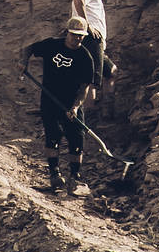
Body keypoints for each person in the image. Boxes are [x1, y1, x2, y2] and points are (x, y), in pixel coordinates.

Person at [22, 16, 107, 195]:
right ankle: (54, 174)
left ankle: (74, 178)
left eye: (81, 36)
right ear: (67, 32)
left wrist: (76, 107)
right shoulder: (52, 45)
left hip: (72, 103)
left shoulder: (85, 58)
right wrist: (23, 63)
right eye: (74, 35)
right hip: (50, 100)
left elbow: (85, 87)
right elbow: (29, 48)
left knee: (77, 138)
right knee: (53, 135)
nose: (77, 38)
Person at [70, 0, 118, 78]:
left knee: (111, 71)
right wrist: (87, 26)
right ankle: (89, 98)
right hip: (92, 38)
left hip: (91, 38)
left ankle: (107, 98)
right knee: (92, 80)